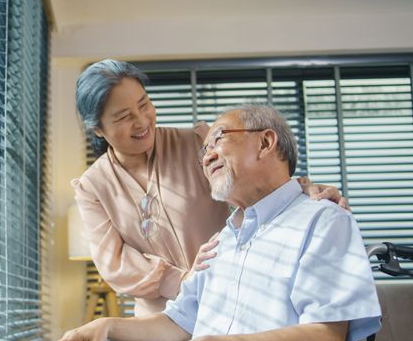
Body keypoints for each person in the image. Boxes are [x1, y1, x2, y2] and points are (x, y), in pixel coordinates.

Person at [9, 105, 381, 341]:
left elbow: (326, 339)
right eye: (203, 151)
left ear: (266, 143)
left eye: (218, 140)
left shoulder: (323, 220)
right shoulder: (223, 241)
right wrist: (105, 326)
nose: (206, 157)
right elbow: (177, 325)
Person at [72, 59, 347, 316]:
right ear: (98, 129)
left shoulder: (197, 144)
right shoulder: (92, 187)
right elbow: (115, 263)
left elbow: (259, 185)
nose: (142, 121)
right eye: (123, 117)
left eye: (144, 104)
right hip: (160, 320)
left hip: (228, 302)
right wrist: (182, 281)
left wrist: (304, 191)